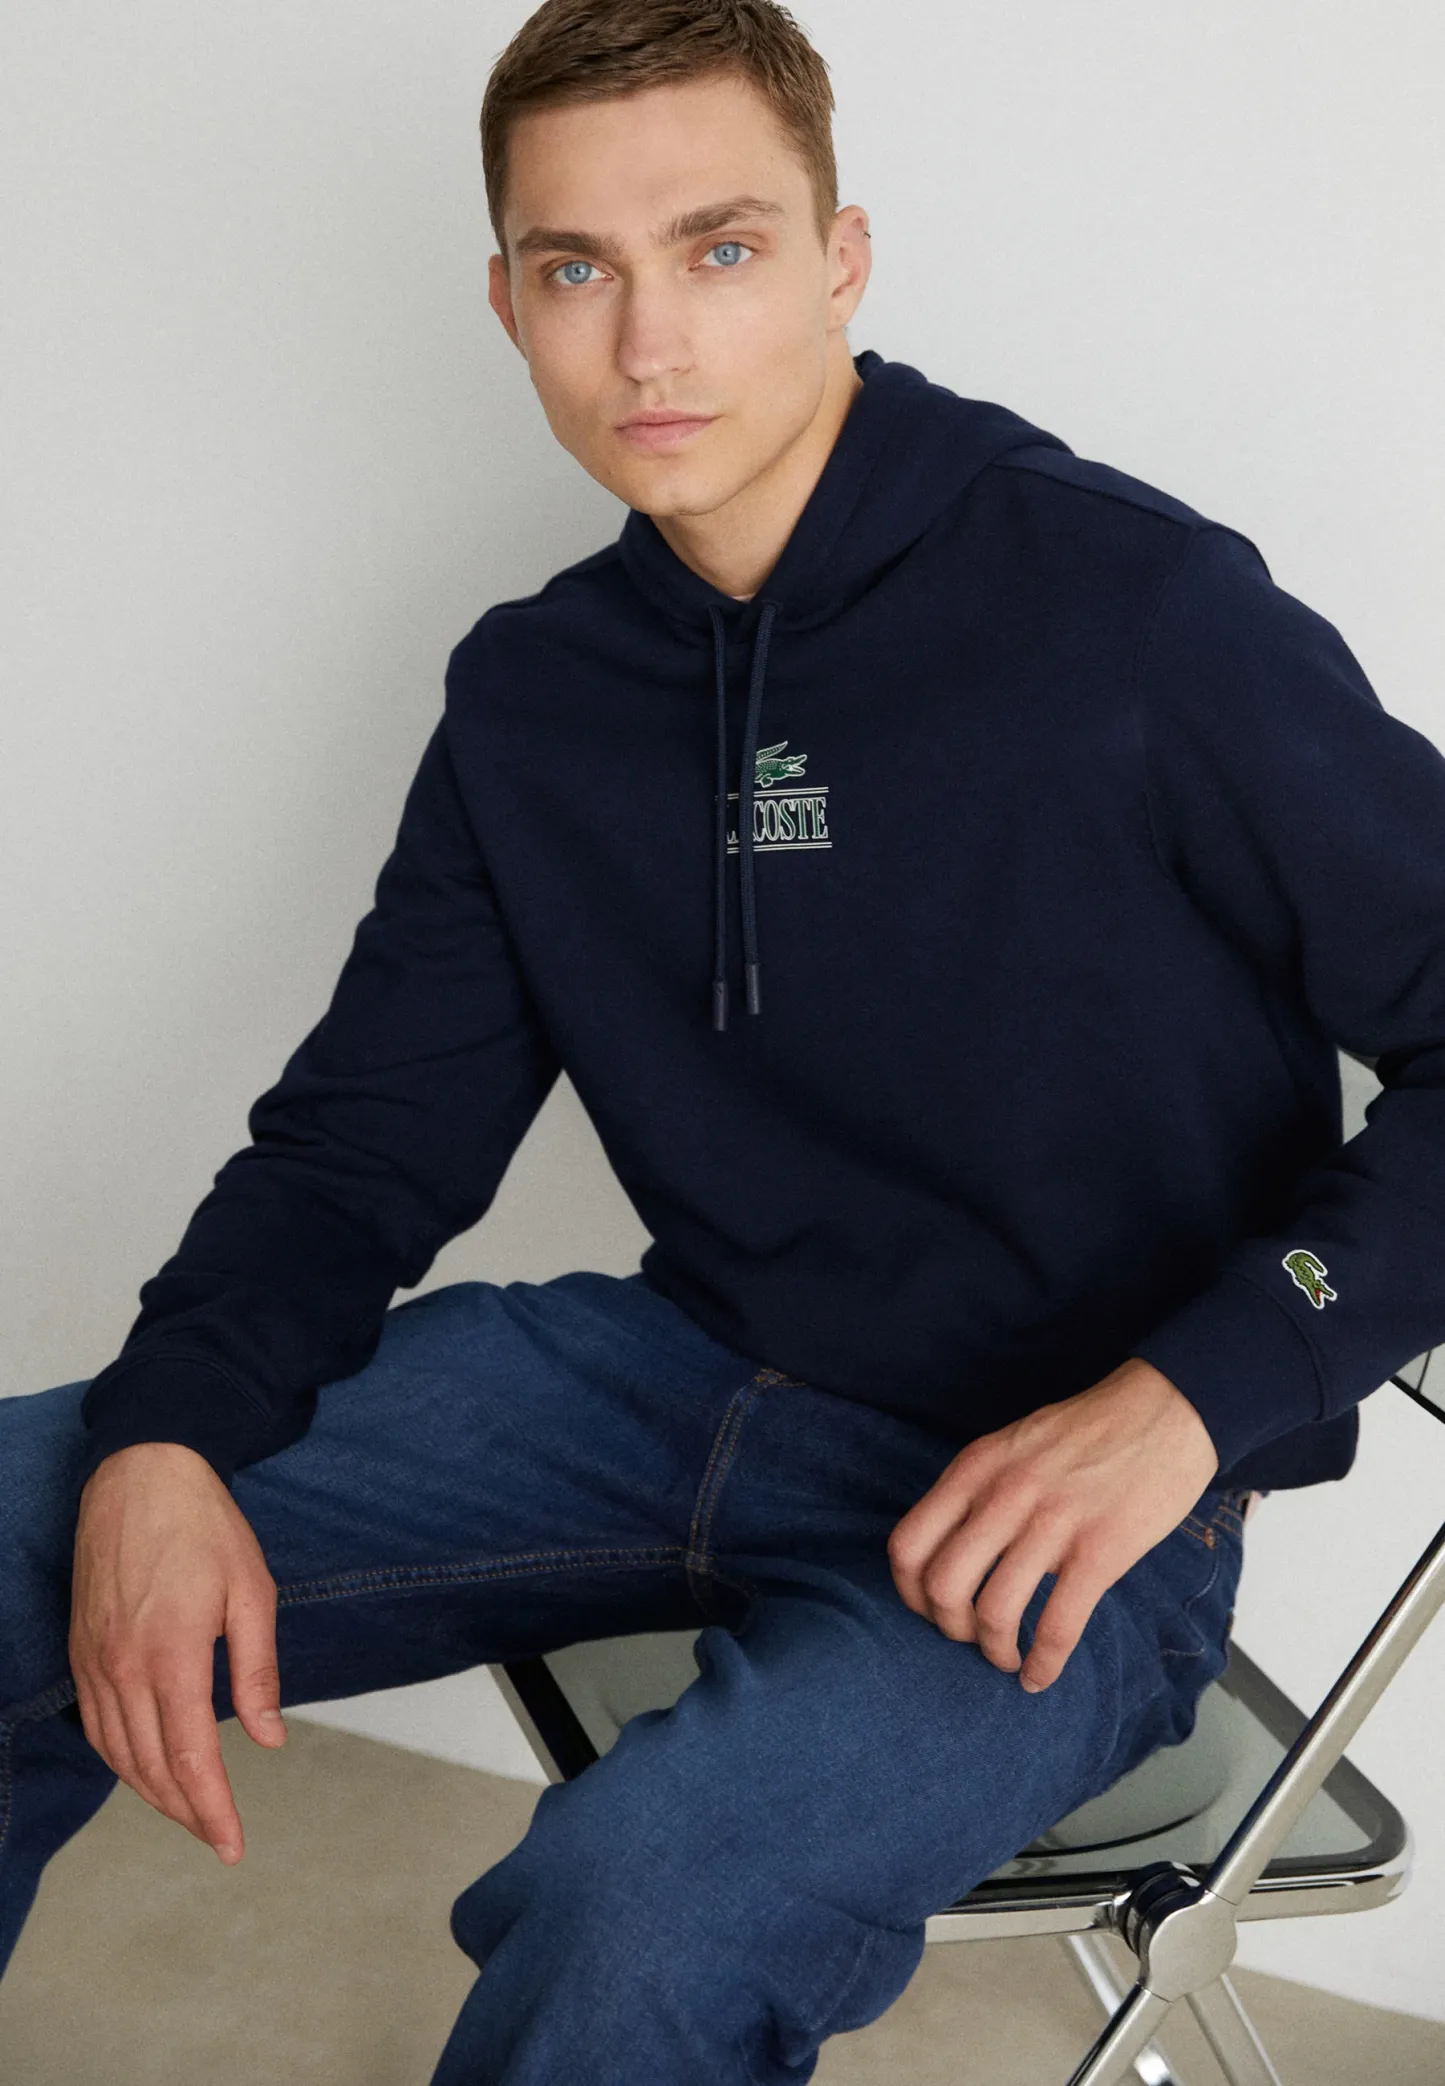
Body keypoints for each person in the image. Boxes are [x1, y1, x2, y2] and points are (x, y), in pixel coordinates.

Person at [4, 2, 1444, 2079]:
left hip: (1072, 1484)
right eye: (575, 269)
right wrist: (161, 1435)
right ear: (506, 303)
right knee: (29, 1516)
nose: (648, 343)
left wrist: (1189, 1397)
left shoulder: (1133, 612)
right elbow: (357, 1155)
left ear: (842, 260)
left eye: (721, 247)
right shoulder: (537, 697)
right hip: (680, 1383)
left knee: (644, 1898)